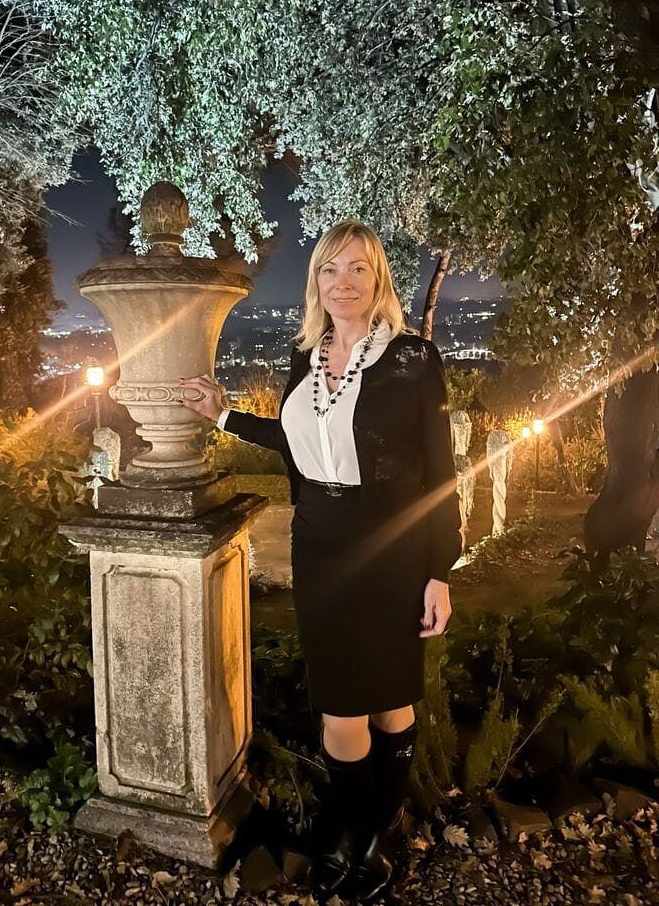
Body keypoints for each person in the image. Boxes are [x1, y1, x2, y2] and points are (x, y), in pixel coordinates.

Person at [179, 220, 461, 902]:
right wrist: (224, 417)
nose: (343, 282)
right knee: (340, 708)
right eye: (330, 269)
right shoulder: (305, 355)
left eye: (358, 268)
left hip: (391, 548)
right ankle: (354, 830)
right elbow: (296, 440)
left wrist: (439, 571)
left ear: (378, 279)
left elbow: (441, 472)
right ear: (316, 283)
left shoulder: (412, 359)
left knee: (390, 701)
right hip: (320, 544)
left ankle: (374, 836)